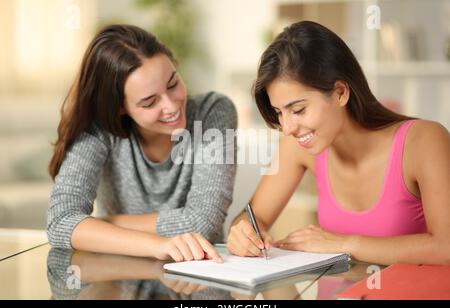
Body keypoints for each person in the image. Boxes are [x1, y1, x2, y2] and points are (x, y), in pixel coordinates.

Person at [227, 21, 450, 266]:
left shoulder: (424, 142)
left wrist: (344, 243)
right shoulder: (296, 146)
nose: (288, 128)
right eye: (279, 112)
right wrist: (243, 231)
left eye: (298, 109)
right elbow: (254, 217)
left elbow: (445, 247)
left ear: (340, 92)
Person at [47, 24, 238, 262]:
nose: (171, 106)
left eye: (172, 84)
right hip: (119, 273)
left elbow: (202, 223)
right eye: (149, 102)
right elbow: (61, 222)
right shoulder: (100, 130)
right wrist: (158, 245)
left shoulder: (213, 112)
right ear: (119, 108)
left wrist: (96, 226)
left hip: (197, 275)